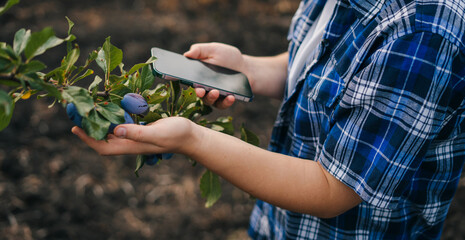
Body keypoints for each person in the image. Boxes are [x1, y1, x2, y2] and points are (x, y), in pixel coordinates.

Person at [72, 0, 465, 239]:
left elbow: (333, 190)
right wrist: (247, 70)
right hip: (283, 226)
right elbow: (322, 69)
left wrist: (191, 139)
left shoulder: (422, 35)